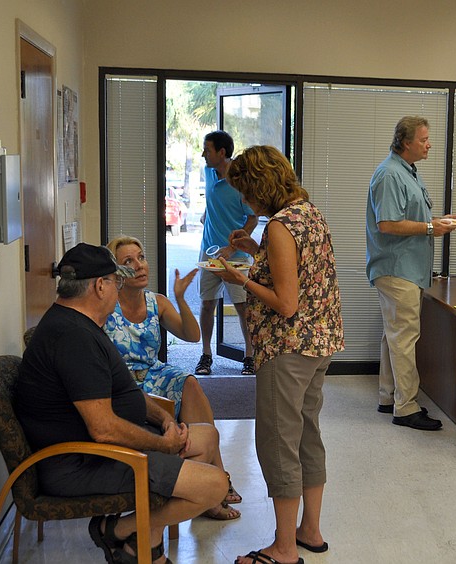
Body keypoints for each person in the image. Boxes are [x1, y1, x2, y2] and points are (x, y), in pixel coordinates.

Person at [15, 243, 227, 564]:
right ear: (100, 286)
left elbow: (127, 391)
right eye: (116, 280)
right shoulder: (73, 339)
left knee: (207, 437)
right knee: (215, 486)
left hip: (100, 451)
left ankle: (143, 547)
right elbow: (102, 429)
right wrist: (161, 444)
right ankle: (118, 529)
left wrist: (164, 420)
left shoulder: (80, 324)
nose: (119, 287)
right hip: (83, 463)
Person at [213, 145, 344, 564]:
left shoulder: (281, 227)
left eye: (246, 193)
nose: (246, 202)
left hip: (287, 347)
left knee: (278, 442)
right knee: (306, 433)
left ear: (260, 186)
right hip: (318, 343)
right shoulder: (308, 213)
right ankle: (310, 530)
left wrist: (239, 277)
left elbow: (285, 303)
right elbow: (300, 272)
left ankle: (284, 549)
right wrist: (255, 251)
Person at [104, 235, 242, 520]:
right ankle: (215, 485)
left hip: (154, 373)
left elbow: (192, 336)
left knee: (189, 382)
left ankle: (212, 475)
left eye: (141, 257)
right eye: (128, 261)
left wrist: (180, 299)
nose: (139, 266)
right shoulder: (106, 305)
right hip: (123, 382)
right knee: (182, 384)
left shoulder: (157, 302)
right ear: (116, 271)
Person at [365, 116, 456, 431]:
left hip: (406, 268)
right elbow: (388, 224)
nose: (429, 144)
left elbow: (411, 218)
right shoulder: (390, 175)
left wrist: (439, 221)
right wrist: (432, 228)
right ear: (406, 142)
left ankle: (388, 396)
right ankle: (406, 408)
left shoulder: (407, 172)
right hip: (396, 269)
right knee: (404, 338)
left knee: (393, 335)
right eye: (423, 139)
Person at [196, 130, 259, 376]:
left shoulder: (241, 182)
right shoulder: (208, 172)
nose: (203, 154)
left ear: (222, 153)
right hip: (209, 253)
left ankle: (249, 356)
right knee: (206, 303)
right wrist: (208, 215)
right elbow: (213, 200)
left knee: (243, 308)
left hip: (237, 256)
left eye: (207, 150)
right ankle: (206, 355)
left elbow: (253, 218)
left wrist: (232, 247)